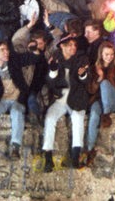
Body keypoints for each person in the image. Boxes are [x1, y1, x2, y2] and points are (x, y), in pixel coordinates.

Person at [0, 41, 40, 168]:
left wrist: (34, 50)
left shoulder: (13, 60)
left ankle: (15, 147)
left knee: (17, 112)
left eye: (7, 49)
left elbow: (33, 58)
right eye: (2, 50)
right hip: (0, 99)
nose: (6, 52)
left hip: (17, 98)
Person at [42, 34, 91, 172]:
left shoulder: (82, 59)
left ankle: (75, 157)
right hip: (60, 99)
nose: (73, 48)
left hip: (76, 98)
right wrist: (53, 70)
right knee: (50, 118)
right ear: (62, 46)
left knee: (78, 119)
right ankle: (48, 157)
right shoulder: (56, 59)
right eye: (69, 45)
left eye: (74, 45)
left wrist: (83, 74)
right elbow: (50, 83)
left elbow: (87, 80)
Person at [85, 41, 115, 166]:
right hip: (99, 100)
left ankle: (106, 115)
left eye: (111, 54)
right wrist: (99, 77)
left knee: (105, 84)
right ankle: (89, 150)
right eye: (106, 54)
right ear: (101, 54)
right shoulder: (94, 68)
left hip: (114, 101)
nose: (109, 57)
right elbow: (90, 90)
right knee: (94, 114)